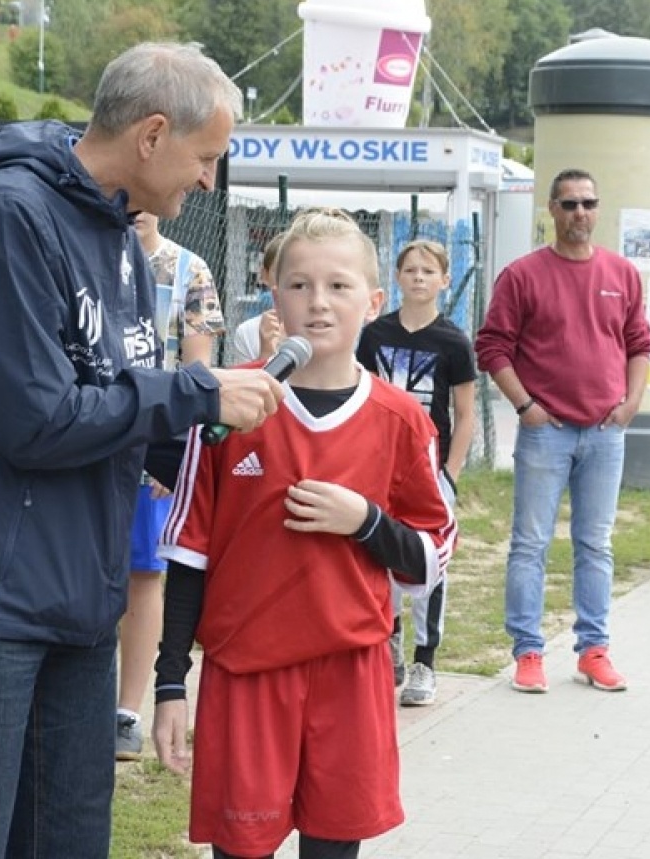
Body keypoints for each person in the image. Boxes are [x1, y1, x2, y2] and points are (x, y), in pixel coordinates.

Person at [0, 41, 285, 859]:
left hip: (76, 599)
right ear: (152, 134)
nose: (208, 179)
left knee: (67, 841)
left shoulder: (118, 238)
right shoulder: (6, 218)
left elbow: (120, 407)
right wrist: (199, 391)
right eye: (205, 157)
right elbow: (36, 418)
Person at [152, 209, 457, 859]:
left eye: (339, 286)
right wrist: (172, 682)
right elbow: (188, 552)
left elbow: (429, 558)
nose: (318, 303)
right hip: (246, 672)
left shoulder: (400, 419)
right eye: (299, 285)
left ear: (374, 301)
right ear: (274, 295)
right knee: (241, 847)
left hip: (350, 672)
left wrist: (366, 521)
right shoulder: (230, 408)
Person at [475, 169, 650, 695]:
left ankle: (593, 651)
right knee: (530, 545)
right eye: (569, 204)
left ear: (599, 210)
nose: (580, 213)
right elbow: (492, 347)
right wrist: (524, 405)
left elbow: (639, 342)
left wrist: (631, 403)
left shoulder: (622, 273)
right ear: (551, 210)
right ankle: (528, 654)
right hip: (545, 432)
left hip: (605, 432)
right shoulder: (523, 275)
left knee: (595, 545)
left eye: (589, 203)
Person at [114, 212, 226, 760]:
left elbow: (195, 371)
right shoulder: (88, 251)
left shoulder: (189, 270)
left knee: (144, 576)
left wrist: (176, 455)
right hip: (85, 447)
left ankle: (126, 710)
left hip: (152, 457)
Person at [356, 238, 477, 707]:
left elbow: (464, 414)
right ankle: (391, 643)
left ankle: (427, 660)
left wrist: (450, 473)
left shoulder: (453, 342)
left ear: (445, 281)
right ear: (397, 277)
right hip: (379, 467)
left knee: (428, 566)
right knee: (379, 555)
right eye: (411, 270)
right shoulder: (374, 335)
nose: (420, 278)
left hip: (430, 470)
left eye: (429, 271)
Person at [234, 231, 285, 361]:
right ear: (264, 275)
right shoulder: (247, 332)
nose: (288, 280)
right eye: (280, 271)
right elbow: (249, 380)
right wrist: (265, 353)